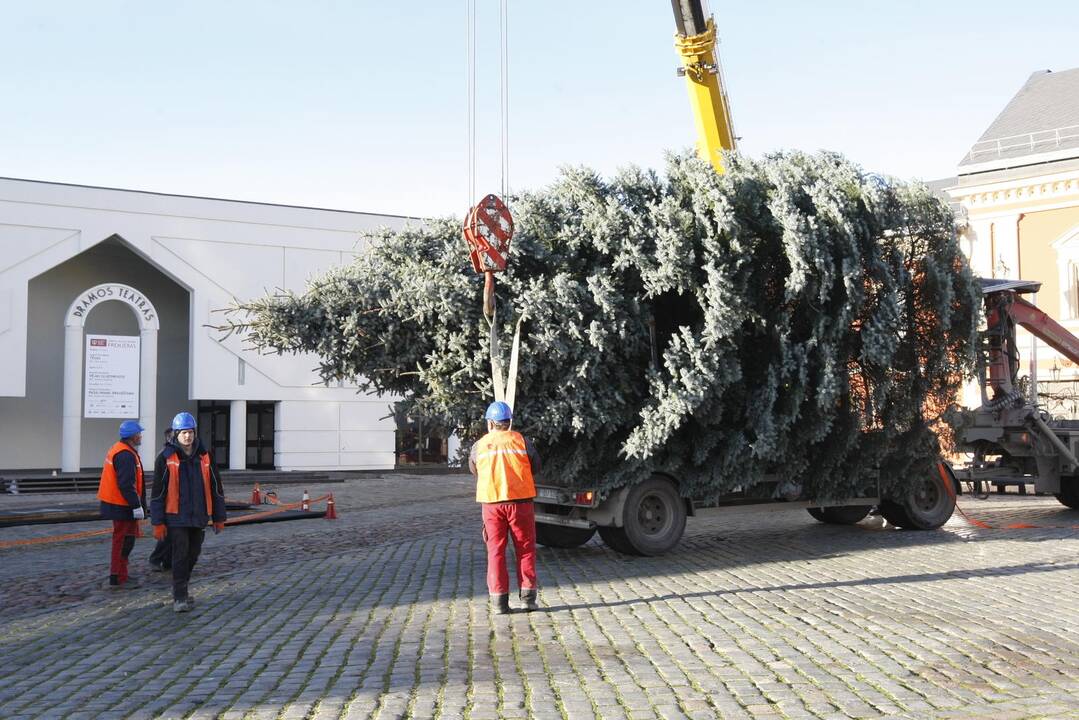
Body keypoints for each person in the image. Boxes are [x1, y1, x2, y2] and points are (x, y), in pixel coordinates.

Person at [469, 401, 542, 614]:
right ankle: (528, 599)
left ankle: (499, 602)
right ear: (509, 422)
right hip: (520, 503)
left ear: (490, 423)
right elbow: (536, 465)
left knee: (496, 552)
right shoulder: (521, 441)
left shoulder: (480, 445)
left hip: (492, 504)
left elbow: (474, 470)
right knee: (526, 549)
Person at [150, 412, 226, 612]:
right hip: (175, 517)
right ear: (176, 434)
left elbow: (216, 488)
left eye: (190, 432)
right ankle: (179, 597)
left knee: (193, 554)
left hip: (198, 516)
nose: (187, 436)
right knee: (180, 555)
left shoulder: (205, 457)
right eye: (183, 432)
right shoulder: (166, 458)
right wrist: (157, 522)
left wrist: (219, 518)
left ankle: (183, 587)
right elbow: (158, 493)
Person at [97, 420, 146, 589]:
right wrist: (136, 506)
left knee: (126, 540)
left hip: (118, 504)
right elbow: (126, 484)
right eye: (139, 433)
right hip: (121, 506)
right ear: (133, 436)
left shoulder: (121, 450)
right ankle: (117, 577)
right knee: (123, 541)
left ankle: (121, 574)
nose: (141, 436)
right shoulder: (125, 455)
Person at [147, 427, 174, 572]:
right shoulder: (164, 456)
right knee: (167, 533)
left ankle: (168, 561)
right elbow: (159, 488)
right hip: (167, 502)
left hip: (176, 502)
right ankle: (156, 558)